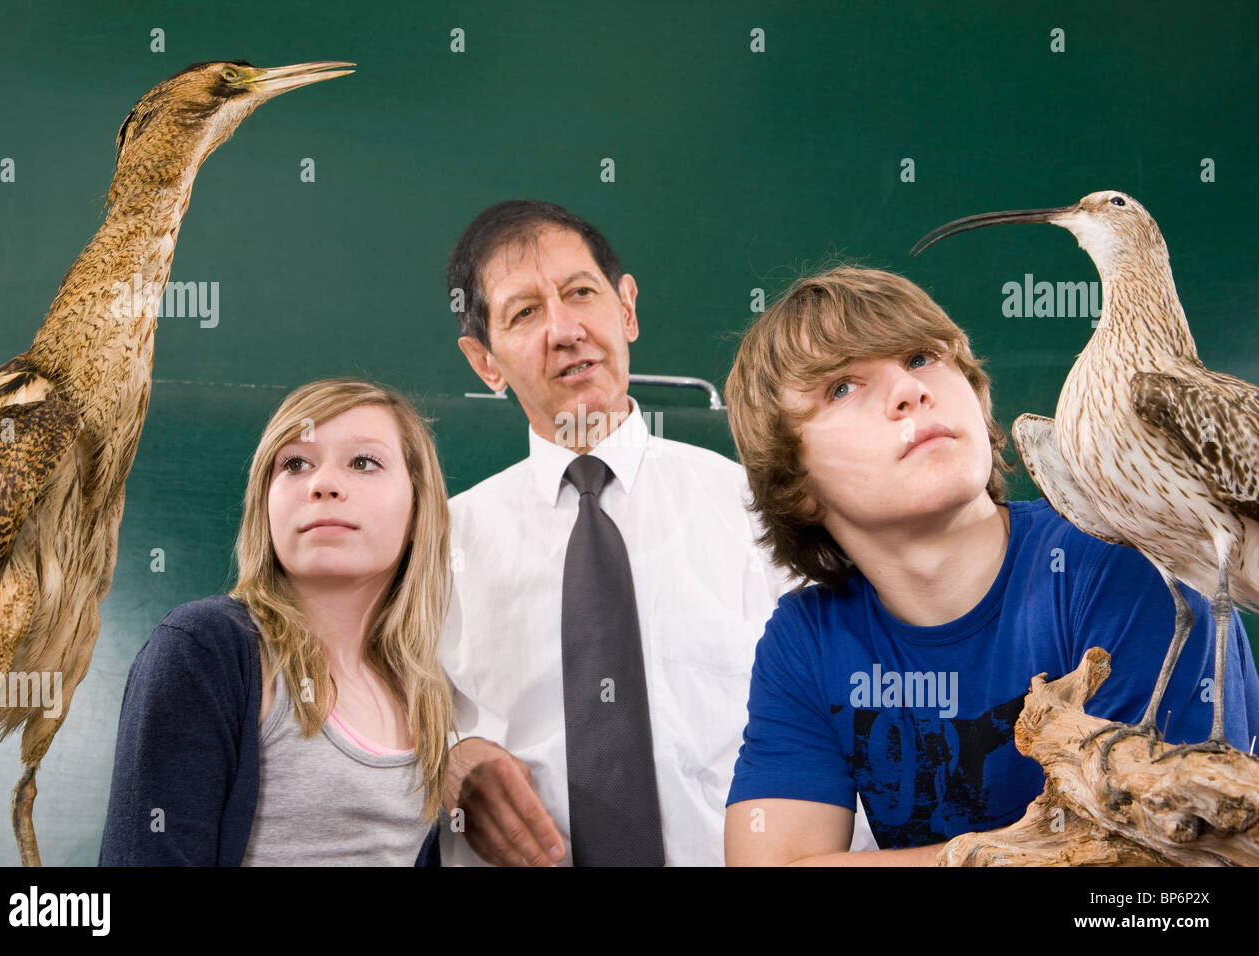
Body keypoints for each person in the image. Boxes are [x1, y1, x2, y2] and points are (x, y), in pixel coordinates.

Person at [722, 266, 1259, 864]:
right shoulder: (806, 639)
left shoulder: (1123, 562)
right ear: (795, 482)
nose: (908, 390)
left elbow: (1170, 866)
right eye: (842, 388)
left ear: (976, 396)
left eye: (922, 357)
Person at [440, 200, 876, 866]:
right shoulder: (436, 548)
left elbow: (862, 725)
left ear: (627, 310)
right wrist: (444, 764)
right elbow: (366, 730)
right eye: (524, 313)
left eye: (581, 293)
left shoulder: (765, 511)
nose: (564, 330)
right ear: (485, 363)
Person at [99, 378, 454, 865]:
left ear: (417, 507)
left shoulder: (424, 690)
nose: (322, 483)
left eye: (364, 462)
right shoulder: (204, 649)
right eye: (295, 464)